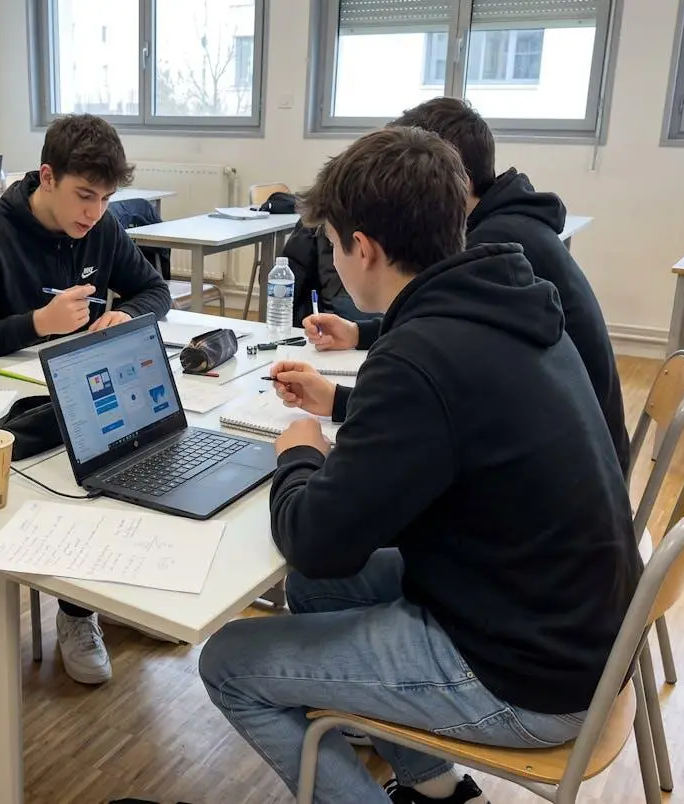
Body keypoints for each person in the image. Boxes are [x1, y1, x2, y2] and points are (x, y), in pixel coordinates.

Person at [197, 127, 640, 804]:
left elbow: (316, 542)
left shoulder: (418, 354)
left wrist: (299, 455)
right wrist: (342, 410)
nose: (333, 261)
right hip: (577, 634)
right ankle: (438, 790)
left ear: (364, 248)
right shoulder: (509, 300)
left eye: (333, 245)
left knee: (229, 661)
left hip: (529, 679)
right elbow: (446, 424)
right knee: (316, 595)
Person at [0, 113, 171, 685]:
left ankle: (85, 606)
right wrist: (36, 324)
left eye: (105, 199)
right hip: (0, 403)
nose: (94, 212)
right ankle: (70, 606)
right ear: (46, 177)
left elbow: (154, 289)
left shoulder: (102, 229)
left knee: (126, 454)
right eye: (84, 195)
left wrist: (126, 315)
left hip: (78, 392)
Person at [302, 97, 629, 476]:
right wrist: (359, 338)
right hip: (580, 460)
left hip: (568, 463)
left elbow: (435, 381)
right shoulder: (507, 244)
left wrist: (301, 451)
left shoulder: (494, 243)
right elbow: (457, 383)